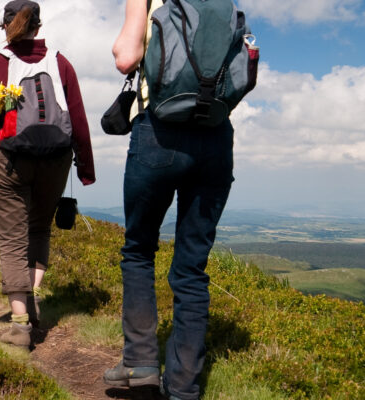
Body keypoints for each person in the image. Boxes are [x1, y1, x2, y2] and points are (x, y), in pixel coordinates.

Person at [105, 1, 237, 398]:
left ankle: (141, 361)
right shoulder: (222, 4)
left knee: (140, 250)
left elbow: (126, 58)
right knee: (192, 268)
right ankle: (182, 388)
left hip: (159, 133)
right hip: (216, 137)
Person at [0, 0, 95, 347]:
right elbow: (77, 119)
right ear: (38, 25)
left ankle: (20, 324)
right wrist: (87, 168)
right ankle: (33, 301)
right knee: (38, 228)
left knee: (12, 238)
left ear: (5, 26)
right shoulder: (60, 62)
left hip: (7, 160)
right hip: (57, 158)